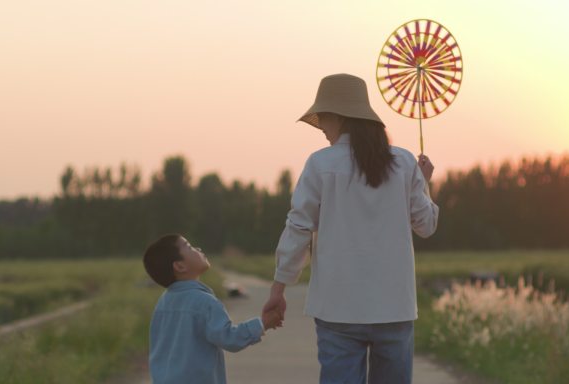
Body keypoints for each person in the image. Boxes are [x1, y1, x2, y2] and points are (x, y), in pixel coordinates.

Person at [263, 73, 439, 384]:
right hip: (394, 308)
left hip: (337, 308)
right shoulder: (403, 162)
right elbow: (426, 226)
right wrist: (424, 183)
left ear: (338, 117)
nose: (322, 129)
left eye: (324, 119)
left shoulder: (321, 164)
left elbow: (298, 229)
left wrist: (279, 289)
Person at [144, 233, 282, 384]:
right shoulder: (204, 302)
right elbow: (229, 338)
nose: (198, 248)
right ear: (180, 266)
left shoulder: (163, 302)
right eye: (189, 247)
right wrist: (263, 324)